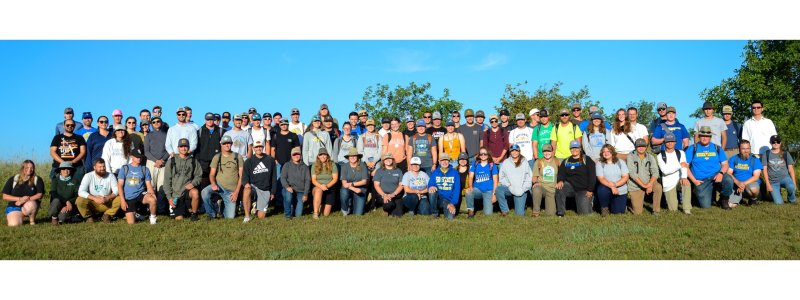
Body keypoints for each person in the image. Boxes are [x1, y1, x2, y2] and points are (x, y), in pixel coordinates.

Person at [686, 126, 734, 210]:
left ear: (710, 137)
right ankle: (697, 193)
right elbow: (685, 167)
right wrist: (694, 181)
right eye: (702, 135)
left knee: (728, 180)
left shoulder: (717, 148)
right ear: (699, 136)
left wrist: (721, 173)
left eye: (707, 136)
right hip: (701, 180)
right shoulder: (692, 148)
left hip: (716, 176)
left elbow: (725, 164)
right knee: (705, 206)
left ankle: (724, 200)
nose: (704, 138)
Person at [201, 135, 244, 219]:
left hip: (231, 191)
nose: (227, 145)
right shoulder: (217, 157)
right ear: (221, 144)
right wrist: (213, 184)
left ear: (231, 144)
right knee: (204, 192)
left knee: (230, 217)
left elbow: (241, 175)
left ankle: (221, 208)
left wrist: (236, 192)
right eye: (224, 143)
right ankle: (212, 214)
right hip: (219, 187)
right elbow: (211, 174)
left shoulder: (238, 156)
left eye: (228, 143)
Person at [163, 138, 203, 221]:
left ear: (188, 148)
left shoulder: (193, 161)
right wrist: (169, 198)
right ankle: (186, 209)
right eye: (181, 146)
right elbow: (167, 181)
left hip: (188, 191)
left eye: (185, 146)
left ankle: (194, 214)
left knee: (195, 192)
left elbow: (199, 176)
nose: (183, 148)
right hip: (176, 194)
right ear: (178, 148)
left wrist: (193, 183)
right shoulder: (171, 161)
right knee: (179, 219)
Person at [555, 140, 596, 217]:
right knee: (559, 187)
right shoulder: (566, 161)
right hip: (570, 187)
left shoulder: (586, 159)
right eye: (572, 148)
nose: (574, 150)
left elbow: (592, 176)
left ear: (580, 149)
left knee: (585, 214)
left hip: (583, 189)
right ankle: (560, 212)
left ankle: (589, 202)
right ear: (570, 149)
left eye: (576, 148)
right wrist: (560, 180)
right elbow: (561, 173)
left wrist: (590, 190)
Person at [117, 148, 158, 225]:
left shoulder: (145, 169)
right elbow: (120, 186)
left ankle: (153, 218)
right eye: (137, 157)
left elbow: (148, 185)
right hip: (129, 197)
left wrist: (152, 194)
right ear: (132, 157)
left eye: (140, 157)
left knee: (152, 200)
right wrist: (122, 200)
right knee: (131, 223)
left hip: (141, 194)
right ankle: (136, 214)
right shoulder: (125, 168)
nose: (139, 159)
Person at [241, 140, 278, 222]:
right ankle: (247, 216)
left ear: (263, 147)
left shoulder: (270, 160)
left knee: (261, 217)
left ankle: (255, 206)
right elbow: (244, 176)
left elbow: (274, 177)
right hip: (253, 187)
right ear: (253, 148)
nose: (258, 148)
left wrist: (272, 192)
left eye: (260, 146)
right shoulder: (248, 161)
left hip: (265, 189)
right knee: (246, 190)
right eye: (256, 147)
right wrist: (246, 183)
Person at [76, 158, 121, 223]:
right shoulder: (88, 176)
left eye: (104, 166)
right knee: (80, 200)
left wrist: (107, 198)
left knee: (119, 199)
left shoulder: (110, 176)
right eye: (100, 167)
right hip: (93, 203)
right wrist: (94, 198)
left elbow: (116, 190)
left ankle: (107, 215)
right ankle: (89, 217)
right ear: (94, 167)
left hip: (106, 202)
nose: (102, 168)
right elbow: (81, 191)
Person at [655, 132, 692, 214]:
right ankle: (673, 206)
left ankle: (687, 209)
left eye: (672, 141)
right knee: (673, 210)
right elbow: (665, 171)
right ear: (664, 143)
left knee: (687, 183)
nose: (670, 143)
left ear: (675, 142)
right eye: (667, 141)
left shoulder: (681, 153)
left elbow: (684, 166)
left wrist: (684, 177)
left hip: (679, 180)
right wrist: (679, 165)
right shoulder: (660, 156)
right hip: (668, 183)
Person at [3, 160, 45, 226]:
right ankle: (18, 215)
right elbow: (5, 196)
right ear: (22, 168)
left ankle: (32, 221)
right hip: (14, 205)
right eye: (27, 167)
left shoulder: (37, 179)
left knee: (31, 205)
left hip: (29, 205)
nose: (29, 169)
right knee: (13, 224)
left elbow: (40, 195)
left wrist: (24, 200)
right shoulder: (14, 179)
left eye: (32, 168)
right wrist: (20, 199)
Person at [627, 139, 662, 215]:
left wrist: (650, 184)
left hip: (649, 182)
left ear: (646, 147)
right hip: (636, 185)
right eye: (639, 146)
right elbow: (632, 173)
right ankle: (630, 205)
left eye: (643, 146)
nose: (641, 148)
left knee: (658, 187)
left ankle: (656, 210)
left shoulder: (651, 157)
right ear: (635, 147)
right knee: (637, 212)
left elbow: (655, 172)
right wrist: (644, 186)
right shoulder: (630, 156)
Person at [495, 144, 532, 216]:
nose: (514, 153)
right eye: (512, 151)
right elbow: (502, 177)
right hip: (509, 188)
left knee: (519, 214)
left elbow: (529, 177)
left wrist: (524, 188)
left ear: (519, 152)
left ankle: (523, 204)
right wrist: (508, 184)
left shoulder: (524, 162)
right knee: (499, 189)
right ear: (510, 152)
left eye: (516, 151)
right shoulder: (506, 162)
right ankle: (505, 210)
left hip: (521, 190)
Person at [595, 144, 630, 216]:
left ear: (612, 152)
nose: (606, 153)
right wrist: (612, 187)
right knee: (602, 189)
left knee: (618, 213)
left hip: (620, 190)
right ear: (602, 153)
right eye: (604, 151)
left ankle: (618, 205)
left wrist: (615, 185)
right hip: (606, 188)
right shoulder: (599, 163)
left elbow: (625, 177)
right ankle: (604, 208)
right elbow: (601, 178)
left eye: (608, 151)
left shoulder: (620, 162)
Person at [762, 135, 797, 204]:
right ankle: (774, 195)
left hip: (785, 178)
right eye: (773, 142)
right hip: (773, 181)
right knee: (779, 203)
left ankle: (792, 200)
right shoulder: (766, 154)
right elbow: (764, 170)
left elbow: (791, 169)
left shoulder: (786, 153)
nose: (776, 143)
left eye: (778, 142)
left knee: (791, 187)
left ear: (780, 143)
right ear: (770, 143)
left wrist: (794, 182)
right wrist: (768, 184)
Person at [464, 147, 498, 217]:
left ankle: (487, 205)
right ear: (479, 155)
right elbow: (470, 177)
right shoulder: (474, 164)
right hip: (477, 190)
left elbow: (495, 181)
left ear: (488, 155)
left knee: (488, 214)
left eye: (485, 154)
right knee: (468, 191)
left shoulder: (492, 165)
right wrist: (470, 186)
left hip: (488, 191)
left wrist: (494, 194)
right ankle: (471, 210)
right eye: (481, 154)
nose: (483, 155)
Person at [727, 140, 762, 207]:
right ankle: (739, 198)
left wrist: (742, 184)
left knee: (753, 189)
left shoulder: (755, 159)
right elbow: (729, 173)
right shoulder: (734, 159)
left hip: (750, 184)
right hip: (736, 185)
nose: (746, 151)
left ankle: (753, 199)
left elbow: (756, 177)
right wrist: (738, 183)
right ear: (739, 149)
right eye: (743, 149)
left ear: (750, 148)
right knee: (730, 205)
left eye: (748, 148)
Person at [427, 153, 461, 219]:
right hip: (439, 198)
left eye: (446, 160)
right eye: (442, 160)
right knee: (431, 192)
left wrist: (452, 203)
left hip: (449, 200)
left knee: (450, 218)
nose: (444, 162)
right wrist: (431, 186)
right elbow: (430, 183)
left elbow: (457, 190)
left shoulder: (455, 173)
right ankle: (435, 213)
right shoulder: (435, 172)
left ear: (449, 161)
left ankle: (446, 209)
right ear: (439, 162)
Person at [281, 146, 310, 219]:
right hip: (290, 189)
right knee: (288, 196)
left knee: (298, 215)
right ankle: (287, 215)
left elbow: (307, 181)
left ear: (301, 155)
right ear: (291, 156)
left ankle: (292, 207)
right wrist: (287, 187)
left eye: (298, 154)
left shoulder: (305, 167)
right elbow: (283, 178)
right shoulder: (287, 165)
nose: (296, 156)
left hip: (300, 191)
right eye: (294, 154)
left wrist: (305, 194)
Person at [195, 112, 222, 189]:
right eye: (208, 119)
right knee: (204, 185)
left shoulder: (220, 131)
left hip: (216, 162)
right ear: (205, 120)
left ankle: (217, 200)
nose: (210, 121)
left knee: (216, 183)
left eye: (211, 119)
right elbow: (197, 149)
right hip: (203, 163)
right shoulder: (199, 132)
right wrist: (198, 161)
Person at [339, 148, 369, 216]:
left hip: (361, 189)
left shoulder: (363, 165)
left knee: (358, 214)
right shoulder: (344, 166)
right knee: (343, 192)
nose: (352, 157)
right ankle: (345, 209)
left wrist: (352, 184)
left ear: (358, 157)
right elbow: (344, 183)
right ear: (348, 158)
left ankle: (355, 205)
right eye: (351, 156)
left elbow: (364, 181)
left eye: (354, 156)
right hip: (348, 188)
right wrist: (354, 188)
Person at [532, 144, 559, 217]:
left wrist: (559, 182)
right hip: (542, 187)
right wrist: (536, 182)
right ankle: (536, 212)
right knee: (536, 189)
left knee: (551, 214)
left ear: (552, 151)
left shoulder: (557, 161)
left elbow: (561, 175)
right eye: (545, 151)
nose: (547, 153)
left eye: (549, 151)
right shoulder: (539, 161)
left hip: (552, 190)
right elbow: (534, 177)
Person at [311, 148, 338, 219]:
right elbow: (313, 180)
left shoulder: (333, 164)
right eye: (321, 155)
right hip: (318, 187)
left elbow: (335, 179)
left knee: (325, 214)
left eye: (324, 155)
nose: (323, 156)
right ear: (318, 156)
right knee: (319, 190)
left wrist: (326, 186)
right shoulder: (314, 165)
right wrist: (321, 186)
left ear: (327, 156)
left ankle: (320, 204)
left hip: (329, 187)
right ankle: (315, 213)